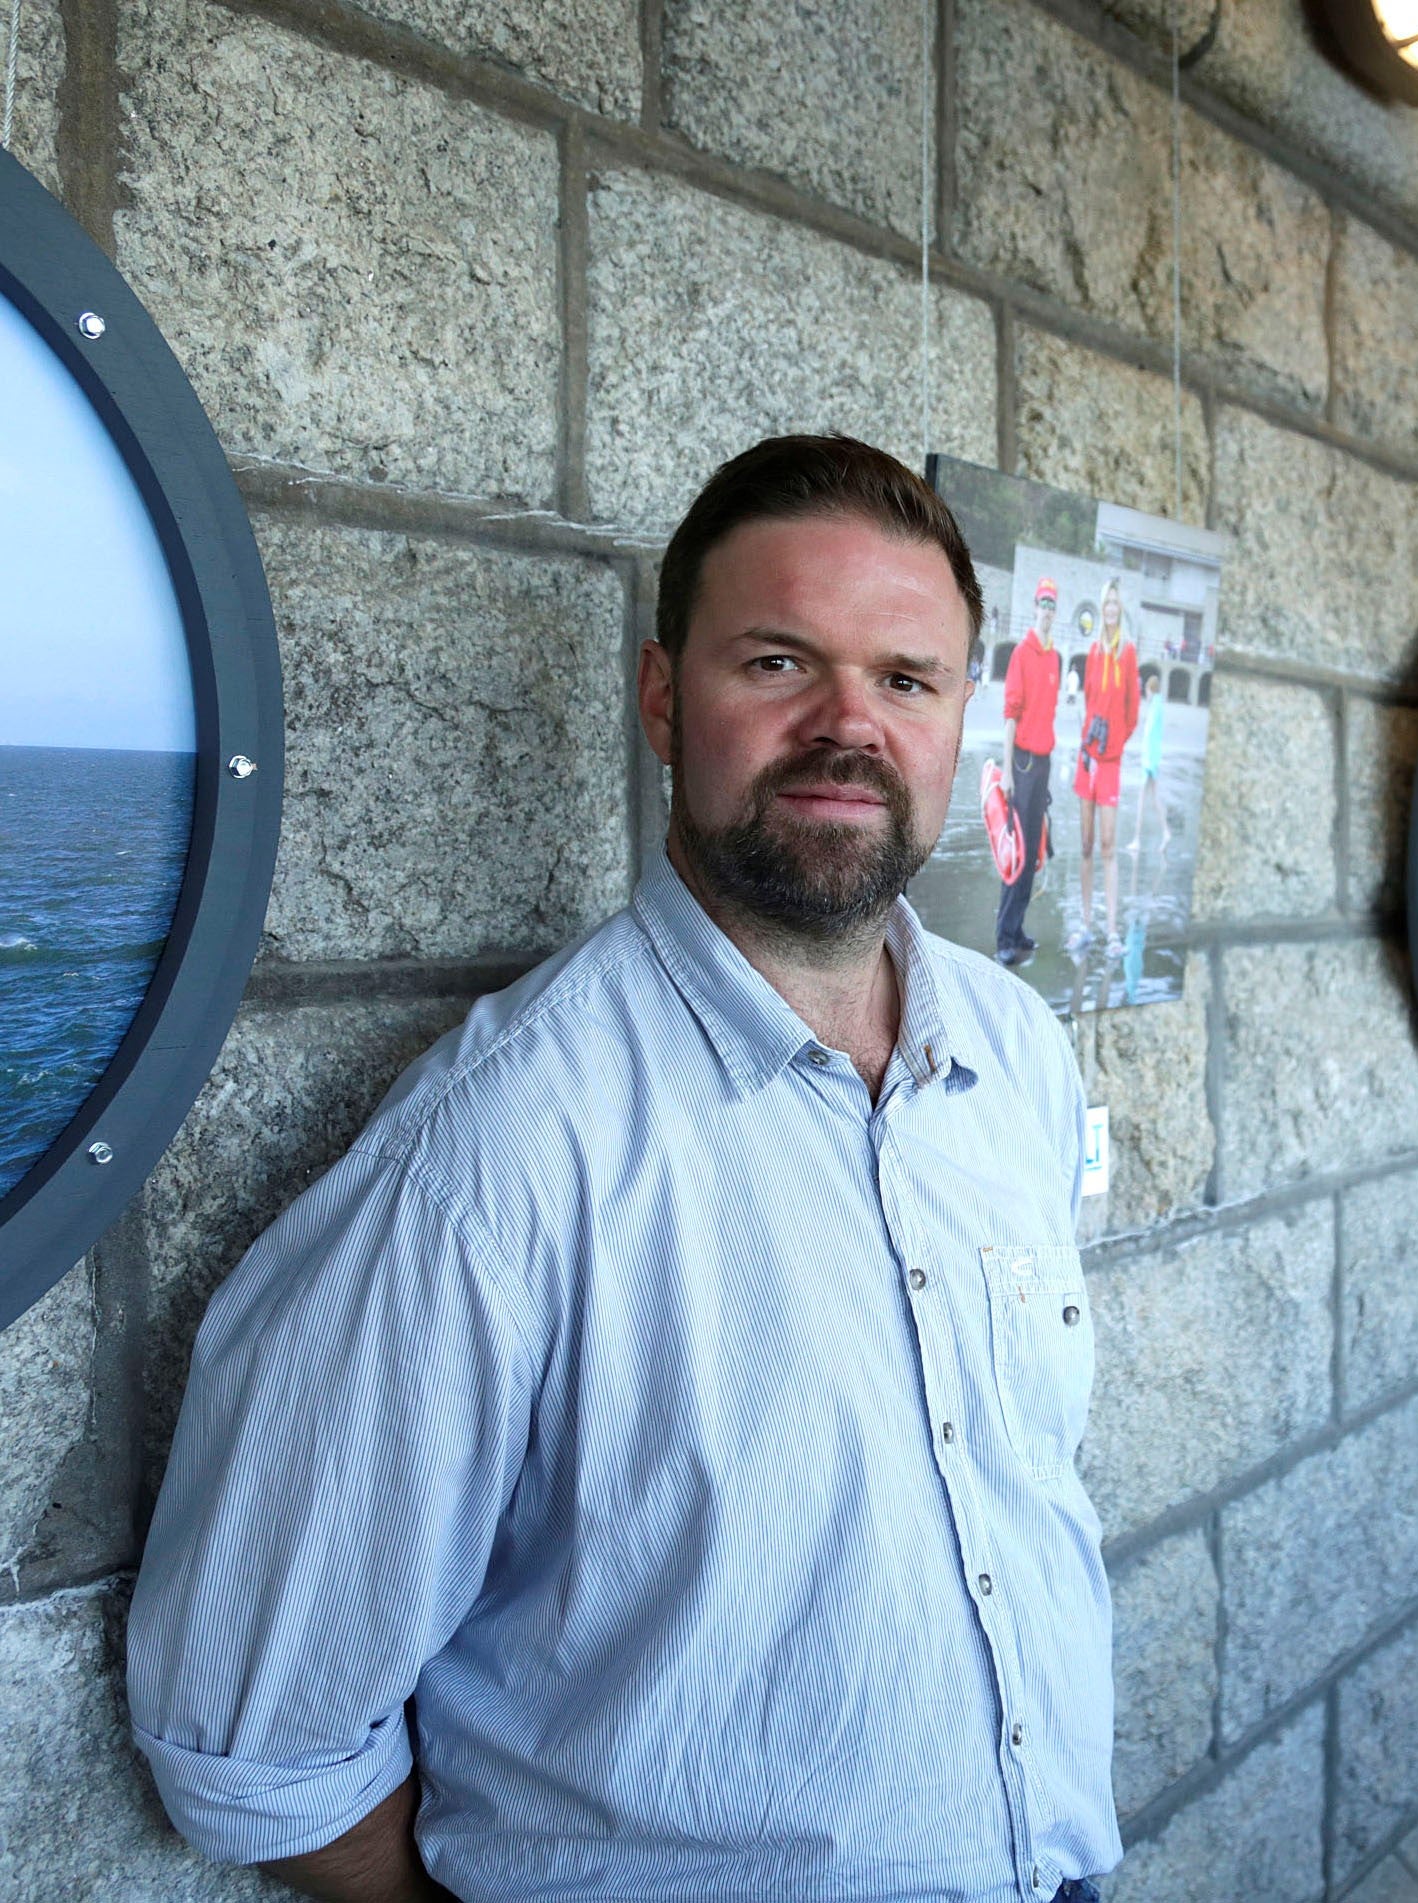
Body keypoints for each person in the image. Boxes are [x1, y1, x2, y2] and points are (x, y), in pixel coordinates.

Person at [126, 435, 1119, 1903]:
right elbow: (250, 1735)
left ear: (960, 715)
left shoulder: (1017, 1052)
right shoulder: (495, 1154)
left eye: (904, 678)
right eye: (778, 663)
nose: (848, 725)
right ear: (662, 697)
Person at [1069, 577, 1141, 955]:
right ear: (1101, 609)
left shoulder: (1127, 653)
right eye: (1106, 603)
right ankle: (1085, 924)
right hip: (1087, 759)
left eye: (1115, 603)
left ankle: (1112, 931)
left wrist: (1112, 746)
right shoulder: (1094, 651)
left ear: (1120, 608)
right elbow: (1088, 700)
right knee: (1085, 843)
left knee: (1109, 845)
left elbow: (1132, 713)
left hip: (1110, 763)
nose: (1111, 609)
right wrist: (1090, 744)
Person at [995, 577, 1063, 967]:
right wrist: (1006, 772)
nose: (1048, 610)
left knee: (1034, 845)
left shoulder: (1055, 657)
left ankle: (1018, 928)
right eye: (1043, 603)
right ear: (1035, 607)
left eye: (1053, 604)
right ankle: (1004, 935)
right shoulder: (1023, 652)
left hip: (1044, 763)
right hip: (1020, 763)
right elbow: (1010, 714)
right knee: (1017, 851)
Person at [1124, 674, 1169, 859]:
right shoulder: (1158, 705)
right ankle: (1165, 832)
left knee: (1143, 801)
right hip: (1153, 759)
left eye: (1146, 691)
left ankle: (1137, 840)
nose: (1146, 695)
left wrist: (1148, 762)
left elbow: (1149, 734)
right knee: (1152, 799)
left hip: (1150, 760)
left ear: (1151, 689)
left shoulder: (1155, 707)